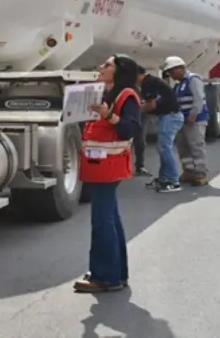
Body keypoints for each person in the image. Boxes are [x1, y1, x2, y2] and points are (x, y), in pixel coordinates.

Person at [73, 54, 141, 293]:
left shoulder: (126, 97)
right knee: (111, 220)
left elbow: (130, 129)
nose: (100, 66)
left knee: (102, 223)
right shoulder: (106, 94)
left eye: (107, 65)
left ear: (119, 71)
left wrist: (107, 116)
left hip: (108, 169)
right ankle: (116, 274)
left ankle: (105, 277)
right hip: (100, 168)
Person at [162, 56, 210, 186]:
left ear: (180, 68)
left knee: (196, 147)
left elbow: (198, 98)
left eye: (172, 71)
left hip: (194, 120)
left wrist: (193, 114)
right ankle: (188, 171)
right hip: (182, 121)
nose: (171, 75)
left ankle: (200, 174)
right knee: (183, 148)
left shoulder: (193, 79)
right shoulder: (179, 85)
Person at [138, 66, 184, 192]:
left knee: (165, 148)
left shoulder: (147, 83)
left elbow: (150, 105)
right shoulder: (151, 80)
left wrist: (134, 110)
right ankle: (164, 178)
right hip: (170, 116)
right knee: (163, 148)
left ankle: (173, 181)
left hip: (171, 116)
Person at [132, 66, 153, 177]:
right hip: (135, 113)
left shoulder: (146, 84)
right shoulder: (131, 85)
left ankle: (139, 166)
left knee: (140, 141)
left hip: (142, 114)